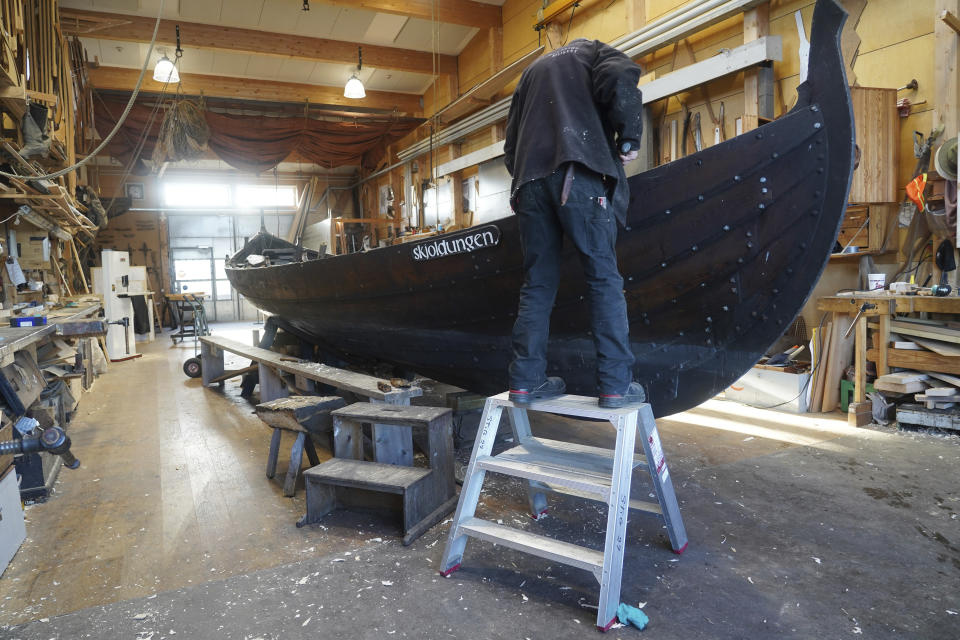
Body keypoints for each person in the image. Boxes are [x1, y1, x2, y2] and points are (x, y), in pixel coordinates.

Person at [504, 38, 645, 408]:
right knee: (603, 278)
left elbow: (510, 145)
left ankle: (524, 381)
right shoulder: (593, 51)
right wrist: (629, 137)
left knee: (537, 284)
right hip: (577, 173)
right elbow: (620, 75)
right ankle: (615, 385)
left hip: (528, 184)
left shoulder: (530, 73)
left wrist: (530, 175)